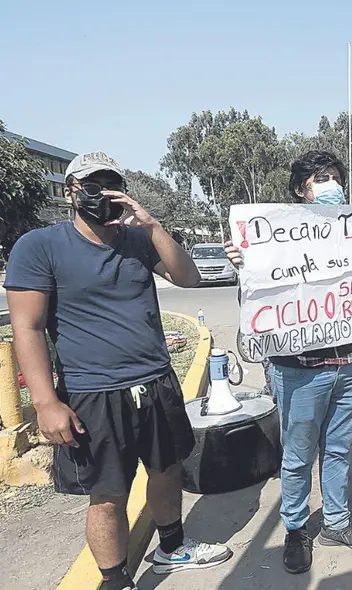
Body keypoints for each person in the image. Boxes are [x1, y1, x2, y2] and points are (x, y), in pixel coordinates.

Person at [3, 151, 231, 590]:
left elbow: (190, 279)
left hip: (156, 380)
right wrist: (47, 402)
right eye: (91, 185)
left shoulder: (139, 241)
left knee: (167, 468)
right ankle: (115, 580)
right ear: (71, 192)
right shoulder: (40, 246)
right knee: (108, 494)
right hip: (94, 393)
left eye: (111, 184)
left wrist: (153, 226)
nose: (102, 194)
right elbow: (27, 328)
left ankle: (171, 547)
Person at [226, 150, 352, 575]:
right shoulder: (274, 238)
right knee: (297, 455)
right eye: (320, 179)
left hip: (347, 364)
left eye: (334, 177)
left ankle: (336, 522)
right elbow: (259, 302)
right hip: (297, 369)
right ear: (299, 190)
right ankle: (294, 529)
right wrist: (245, 265)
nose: (331, 185)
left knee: (338, 449)